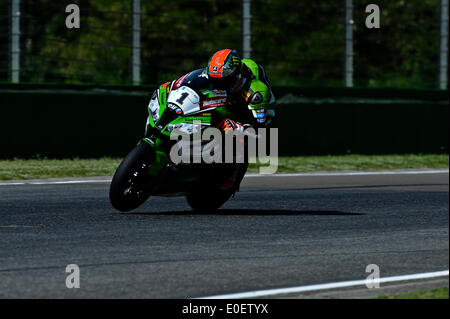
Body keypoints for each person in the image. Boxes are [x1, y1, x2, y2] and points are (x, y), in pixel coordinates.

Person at [170, 49, 275, 130]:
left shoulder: (255, 94)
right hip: (233, 100)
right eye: (215, 81)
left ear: (237, 76)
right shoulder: (221, 76)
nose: (218, 86)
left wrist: (238, 127)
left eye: (224, 82)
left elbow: (260, 129)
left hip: (253, 115)